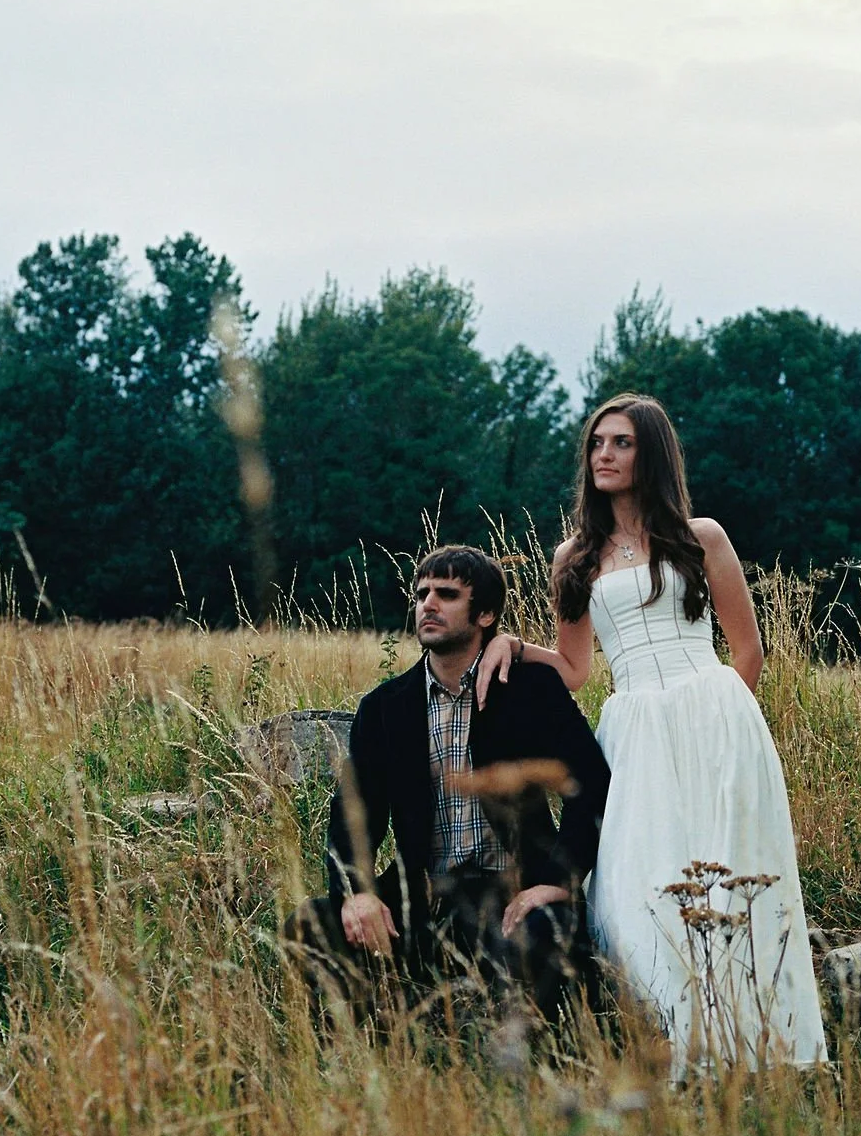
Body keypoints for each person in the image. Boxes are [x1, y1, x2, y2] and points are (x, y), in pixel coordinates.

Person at [478, 394, 828, 1075]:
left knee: (732, 885)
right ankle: (676, 1053)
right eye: (596, 443)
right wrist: (512, 644)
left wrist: (726, 728)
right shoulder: (572, 557)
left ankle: (760, 1054)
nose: (603, 454)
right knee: (636, 889)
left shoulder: (702, 536)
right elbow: (577, 669)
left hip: (714, 718)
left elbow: (748, 649)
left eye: (621, 442)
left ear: (652, 454)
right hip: (634, 730)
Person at [284, 545, 610, 1021]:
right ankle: (381, 1034)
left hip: (513, 894)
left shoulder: (530, 691)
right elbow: (353, 814)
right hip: (422, 897)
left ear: (485, 614)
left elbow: (592, 783)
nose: (428, 604)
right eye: (421, 594)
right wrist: (358, 893)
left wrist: (556, 882)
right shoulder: (386, 707)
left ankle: (519, 1047)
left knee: (547, 937)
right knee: (307, 925)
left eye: (447, 594)